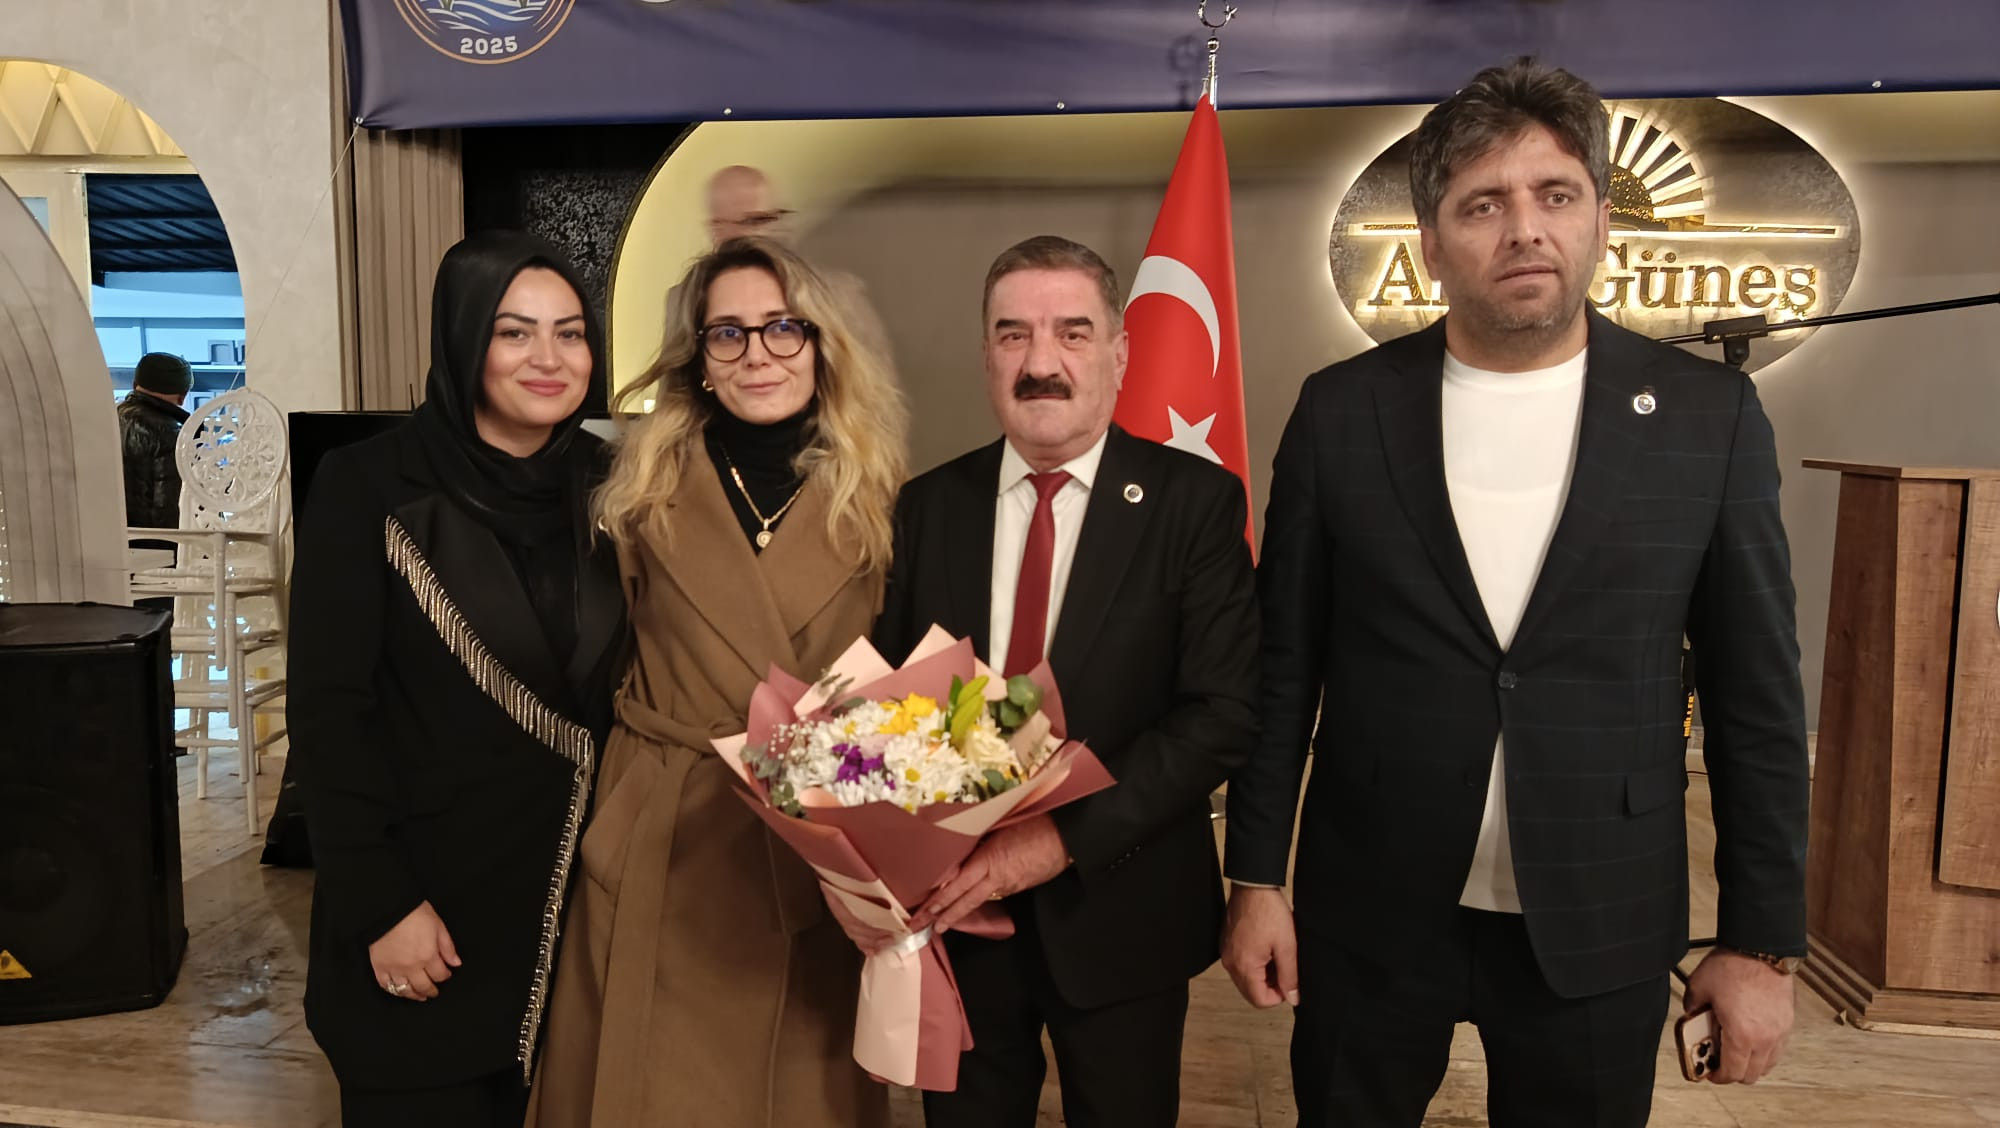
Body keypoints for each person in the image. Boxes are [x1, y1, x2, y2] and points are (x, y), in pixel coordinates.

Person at [1221, 59, 1811, 1127]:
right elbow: (1284, 669)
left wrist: (1759, 944)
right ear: (1431, 241)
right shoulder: (1342, 412)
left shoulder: (1707, 419)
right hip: (1373, 907)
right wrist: (1255, 878)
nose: (1524, 229)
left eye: (1555, 194)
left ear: (1599, 222)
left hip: (1600, 910)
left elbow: (1756, 703)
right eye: (1482, 204)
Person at [872, 234, 1260, 1128]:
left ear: (1120, 354)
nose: (1040, 362)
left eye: (1072, 333)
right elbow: (893, 700)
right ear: (986, 355)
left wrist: (1058, 840)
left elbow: (1221, 715)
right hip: (959, 919)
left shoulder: (1195, 504)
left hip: (1125, 915)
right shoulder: (927, 507)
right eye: (1013, 334)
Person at [526, 235, 907, 1128]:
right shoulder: (636, 490)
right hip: (663, 827)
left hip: (811, 849)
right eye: (727, 333)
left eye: (782, 328)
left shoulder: (884, 501)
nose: (757, 354)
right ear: (699, 356)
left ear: (821, 344)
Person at [288, 231, 629, 1127]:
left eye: (570, 333)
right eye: (515, 332)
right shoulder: (368, 485)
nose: (549, 359)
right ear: (462, 337)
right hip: (426, 910)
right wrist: (381, 903)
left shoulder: (616, 487)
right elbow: (328, 715)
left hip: (570, 919)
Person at [118, 352, 192, 530]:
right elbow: (170, 508)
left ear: (135, 385)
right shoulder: (173, 435)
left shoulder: (111, 417)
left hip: (114, 536)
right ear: (182, 396)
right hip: (154, 542)